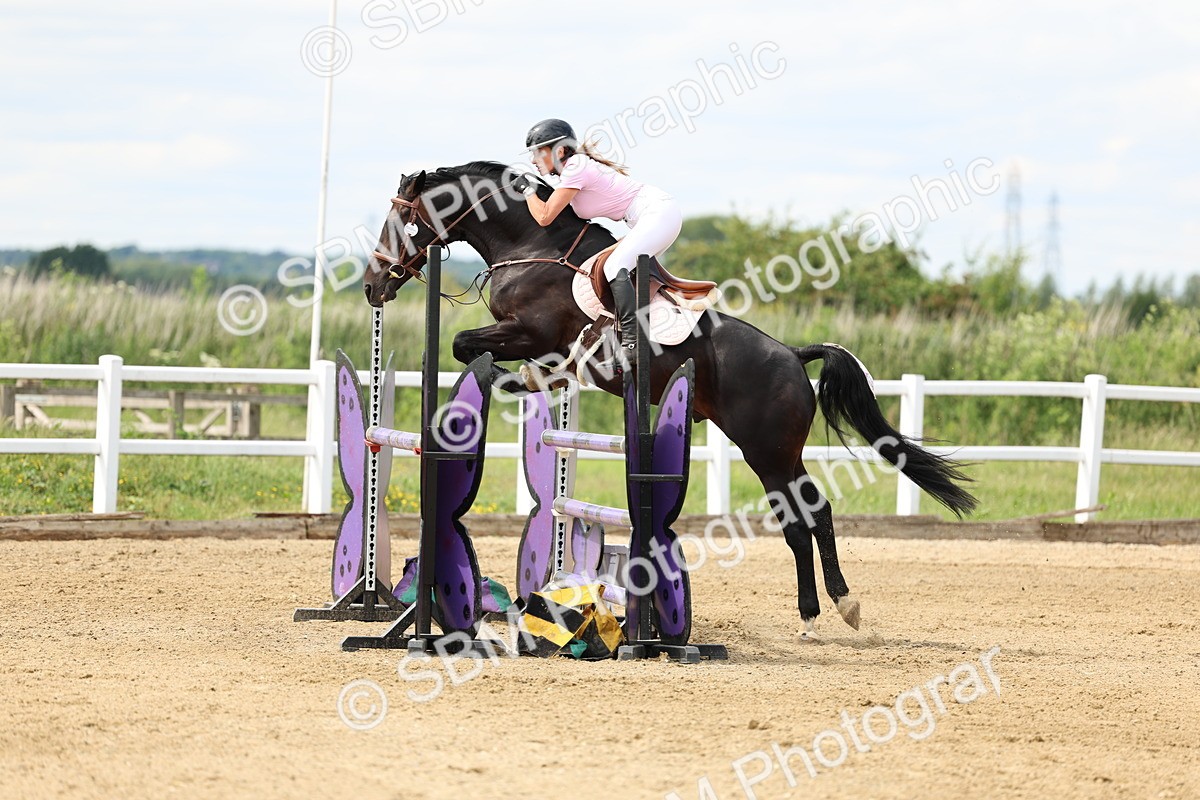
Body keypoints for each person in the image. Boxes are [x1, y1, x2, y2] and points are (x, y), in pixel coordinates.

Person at [513, 118, 683, 370]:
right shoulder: (572, 171)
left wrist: (528, 191)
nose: (533, 160)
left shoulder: (575, 167)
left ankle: (632, 345)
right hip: (646, 217)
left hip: (657, 212)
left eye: (538, 153)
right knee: (612, 265)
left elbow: (545, 215)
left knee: (615, 266)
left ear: (559, 151)